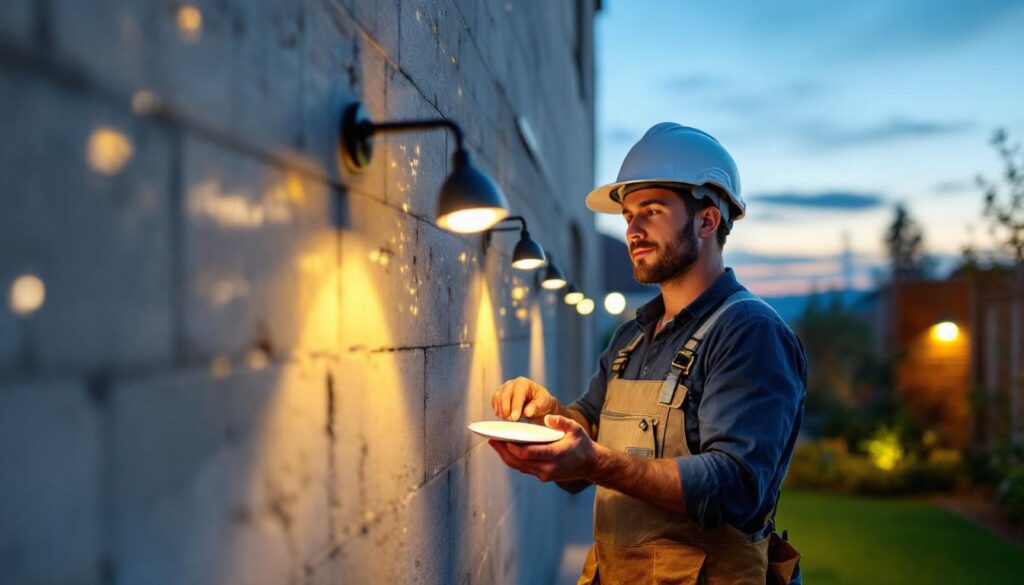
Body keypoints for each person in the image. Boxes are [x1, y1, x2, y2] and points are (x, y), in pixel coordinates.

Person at [488, 123, 806, 584]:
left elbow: (737, 487)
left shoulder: (749, 333)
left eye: (651, 212)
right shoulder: (630, 339)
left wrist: (594, 461)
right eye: (628, 216)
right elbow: (586, 434)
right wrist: (545, 419)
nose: (632, 231)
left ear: (707, 221)